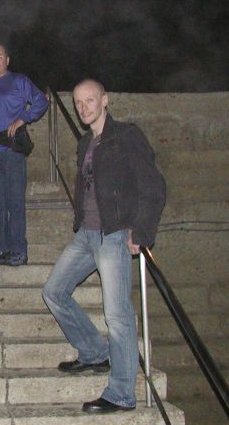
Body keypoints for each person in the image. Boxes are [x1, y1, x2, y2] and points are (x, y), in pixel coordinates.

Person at [42, 79, 166, 414]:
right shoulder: (85, 142)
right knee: (53, 291)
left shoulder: (126, 135)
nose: (83, 108)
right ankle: (95, 353)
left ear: (105, 100)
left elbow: (153, 185)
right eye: (78, 103)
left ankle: (122, 394)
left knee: (118, 315)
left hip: (113, 235)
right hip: (87, 234)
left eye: (90, 100)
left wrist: (141, 230)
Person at [0, 42, 48, 266]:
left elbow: (41, 101)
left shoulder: (19, 81)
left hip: (12, 150)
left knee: (15, 201)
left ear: (7, 59)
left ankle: (18, 250)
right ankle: (0, 249)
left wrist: (24, 118)